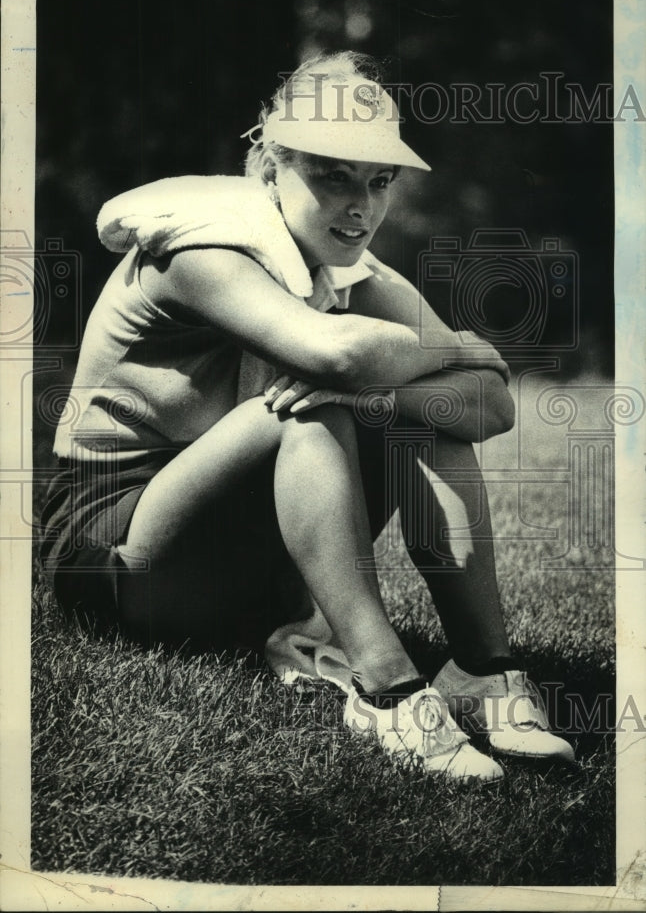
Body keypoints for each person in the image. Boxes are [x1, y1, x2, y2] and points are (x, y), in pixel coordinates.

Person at [39, 51, 574, 783]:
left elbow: (488, 402)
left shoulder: (349, 265)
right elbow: (341, 359)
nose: (360, 207)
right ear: (268, 171)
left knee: (414, 410)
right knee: (304, 409)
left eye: (378, 181)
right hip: (114, 553)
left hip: (241, 564)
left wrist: (393, 386)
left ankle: (483, 668)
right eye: (332, 174)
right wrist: (447, 353)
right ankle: (385, 686)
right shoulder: (199, 248)